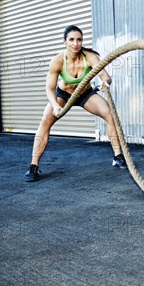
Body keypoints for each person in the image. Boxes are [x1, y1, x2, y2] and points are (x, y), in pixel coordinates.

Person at [24, 25, 126, 182]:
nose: (75, 43)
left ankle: (118, 156)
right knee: (45, 122)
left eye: (79, 40)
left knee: (109, 113)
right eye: (71, 40)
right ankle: (34, 165)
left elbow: (106, 76)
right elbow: (49, 89)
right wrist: (56, 105)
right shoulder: (57, 61)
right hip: (63, 95)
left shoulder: (90, 57)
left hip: (85, 94)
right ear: (64, 41)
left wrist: (106, 81)